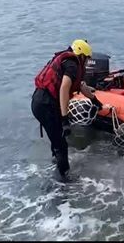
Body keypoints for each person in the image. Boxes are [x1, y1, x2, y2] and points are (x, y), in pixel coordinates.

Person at [31, 39, 103, 180]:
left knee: (56, 140)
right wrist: (65, 119)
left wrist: (95, 101)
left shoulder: (67, 62)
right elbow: (64, 88)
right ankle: (62, 182)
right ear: (82, 56)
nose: (87, 63)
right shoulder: (72, 65)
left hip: (38, 101)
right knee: (61, 145)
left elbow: (81, 86)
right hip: (45, 105)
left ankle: (55, 165)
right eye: (87, 60)